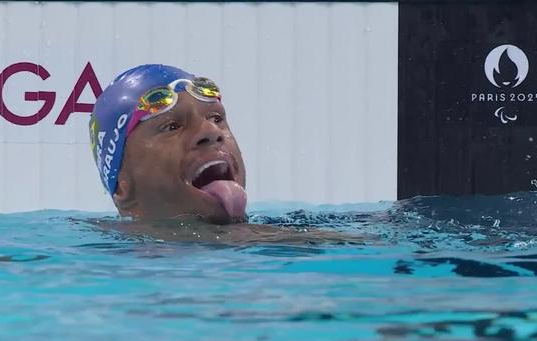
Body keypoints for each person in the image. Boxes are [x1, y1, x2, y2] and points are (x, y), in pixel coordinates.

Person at [89, 64, 364, 244]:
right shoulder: (92, 258)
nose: (210, 131)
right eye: (172, 126)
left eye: (217, 118)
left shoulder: (303, 238)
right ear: (123, 186)